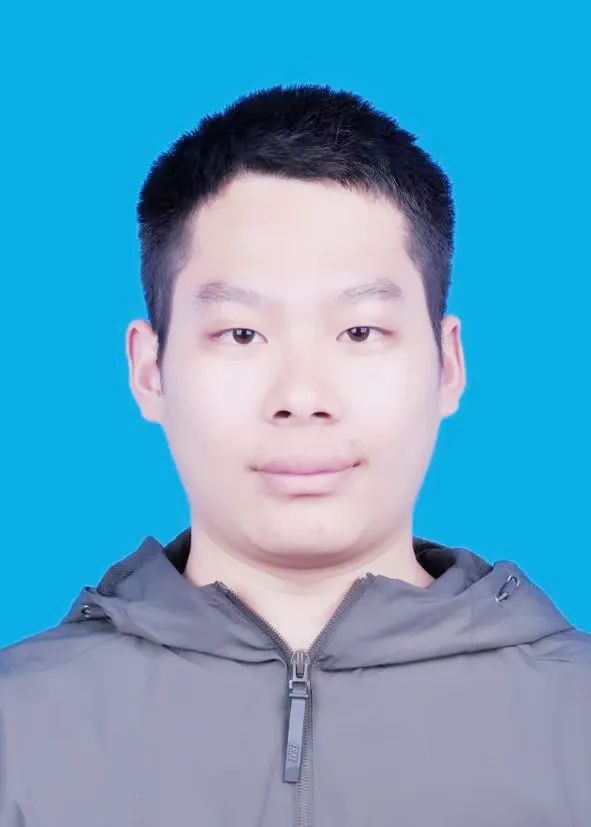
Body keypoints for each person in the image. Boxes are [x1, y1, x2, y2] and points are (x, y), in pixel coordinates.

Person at [1, 83, 589, 827]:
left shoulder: (575, 722)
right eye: (241, 333)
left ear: (448, 366)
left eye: (360, 332)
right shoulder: (18, 731)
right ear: (150, 372)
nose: (302, 396)